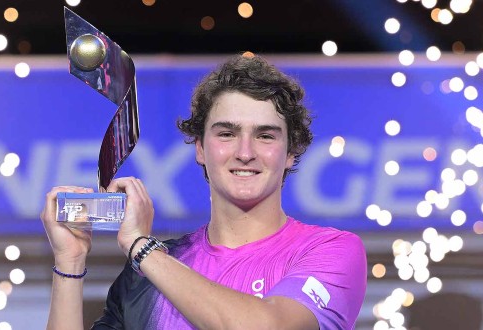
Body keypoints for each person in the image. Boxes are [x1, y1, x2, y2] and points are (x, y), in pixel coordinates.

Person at [40, 54, 367, 329]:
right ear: (199, 148)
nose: (245, 152)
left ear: (291, 152)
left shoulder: (331, 252)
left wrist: (141, 247)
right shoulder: (149, 272)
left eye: (265, 136)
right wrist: (70, 263)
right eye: (226, 133)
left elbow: (270, 326)